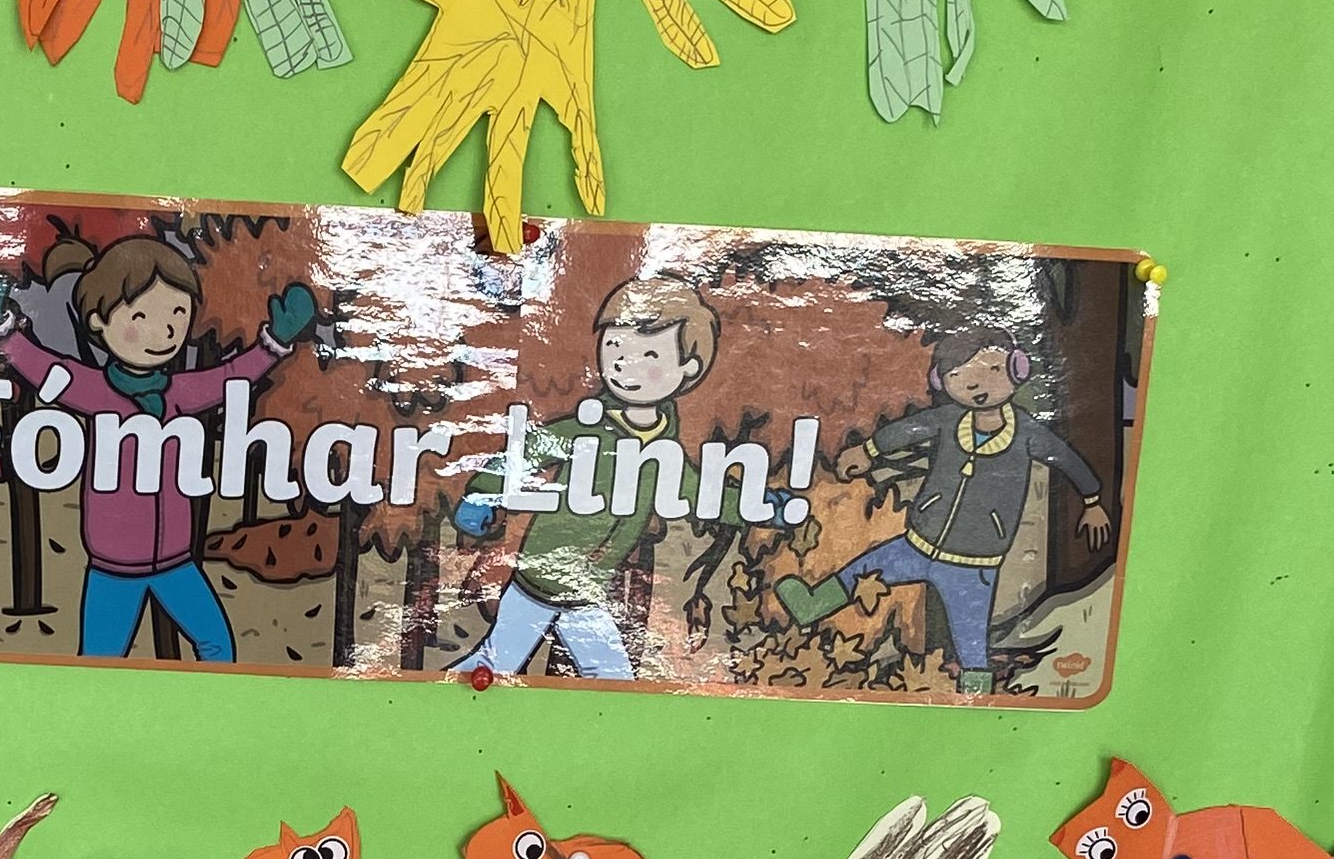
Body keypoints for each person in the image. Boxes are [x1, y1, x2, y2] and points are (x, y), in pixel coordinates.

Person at [0, 232, 314, 663]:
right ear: (98, 322)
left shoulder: (180, 392)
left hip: (177, 564)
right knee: (98, 663)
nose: (164, 330)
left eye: (178, 312)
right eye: (140, 315)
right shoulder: (93, 389)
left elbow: (231, 377)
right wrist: (1, 329)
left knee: (218, 647)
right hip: (113, 569)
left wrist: (273, 345)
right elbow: (43, 368)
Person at [775, 321, 1110, 701]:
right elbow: (909, 430)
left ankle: (976, 696)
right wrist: (867, 451)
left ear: (1018, 367)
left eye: (992, 369)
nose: (976, 384)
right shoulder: (948, 420)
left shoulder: (1027, 433)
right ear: (942, 382)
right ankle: (812, 605)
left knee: (971, 641)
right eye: (959, 376)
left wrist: (1092, 501)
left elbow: (1067, 460)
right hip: (918, 544)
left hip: (974, 564)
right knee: (863, 569)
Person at [453, 271, 717, 681]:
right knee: (500, 661)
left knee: (609, 676)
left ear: (688, 367)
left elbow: (700, 490)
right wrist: (482, 495)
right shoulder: (586, 428)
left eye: (649, 355)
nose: (625, 363)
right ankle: (420, 702)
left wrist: (760, 505)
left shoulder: (665, 452)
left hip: (585, 591)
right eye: (615, 347)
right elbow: (527, 452)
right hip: (540, 581)